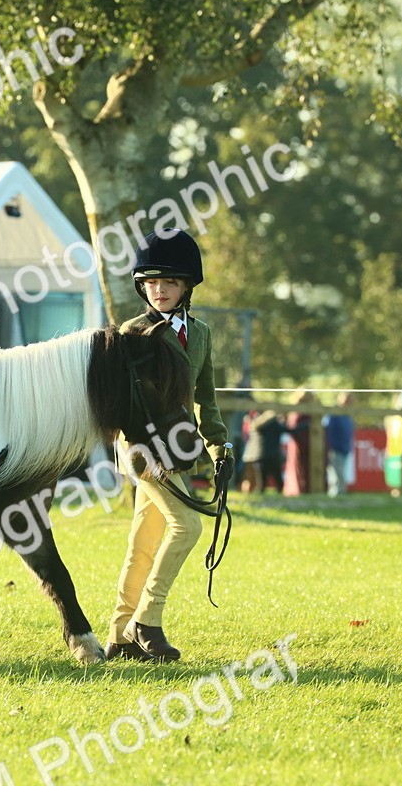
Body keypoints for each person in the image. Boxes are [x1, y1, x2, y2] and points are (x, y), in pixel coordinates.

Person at [106, 228, 231, 663]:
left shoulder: (200, 334)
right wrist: (141, 451)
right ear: (143, 285)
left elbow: (206, 398)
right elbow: (123, 402)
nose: (160, 289)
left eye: (170, 282)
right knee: (188, 526)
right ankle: (148, 620)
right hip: (142, 449)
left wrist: (219, 447)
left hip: (177, 447)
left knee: (144, 541)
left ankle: (119, 637)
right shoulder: (131, 333)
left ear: (186, 288)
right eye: (152, 282)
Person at [240, 409, 284, 494]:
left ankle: (259, 494)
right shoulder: (274, 425)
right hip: (272, 456)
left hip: (257, 456)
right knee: (278, 479)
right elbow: (288, 430)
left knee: (261, 481)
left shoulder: (257, 426)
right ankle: (279, 493)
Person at [282, 390, 318, 496]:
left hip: (299, 447)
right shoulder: (300, 413)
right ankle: (301, 490)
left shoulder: (296, 413)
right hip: (301, 448)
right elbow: (295, 430)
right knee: (301, 471)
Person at [324, 392, 355, 496]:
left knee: (341, 473)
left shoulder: (347, 415)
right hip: (335, 448)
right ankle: (335, 493)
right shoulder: (334, 413)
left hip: (344, 448)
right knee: (336, 473)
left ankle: (340, 492)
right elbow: (328, 430)